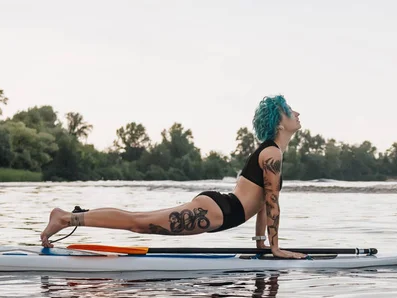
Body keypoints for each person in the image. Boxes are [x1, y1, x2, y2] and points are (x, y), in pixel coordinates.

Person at [40, 95, 306, 259]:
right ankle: (66, 217)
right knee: (138, 223)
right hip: (218, 212)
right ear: (279, 122)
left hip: (220, 207)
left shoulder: (271, 152)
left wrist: (262, 245)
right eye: (289, 110)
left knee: (139, 221)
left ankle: (68, 217)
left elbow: (263, 204)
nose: (297, 114)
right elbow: (271, 203)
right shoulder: (271, 153)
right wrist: (276, 248)